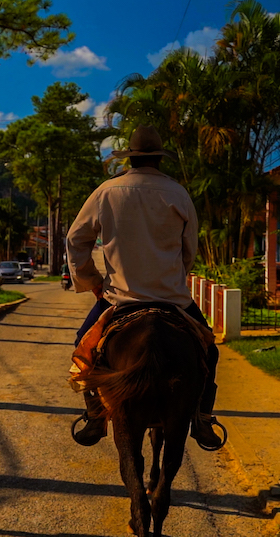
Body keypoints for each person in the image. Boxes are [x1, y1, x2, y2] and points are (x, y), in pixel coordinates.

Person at [66, 124, 222, 449]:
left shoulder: (106, 192)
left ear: (131, 159)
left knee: (83, 346)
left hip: (118, 301)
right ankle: (203, 419)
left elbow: (75, 240)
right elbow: (189, 252)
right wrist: (171, 277)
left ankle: (95, 416)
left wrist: (92, 281)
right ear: (159, 159)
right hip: (173, 300)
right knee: (209, 349)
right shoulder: (178, 193)